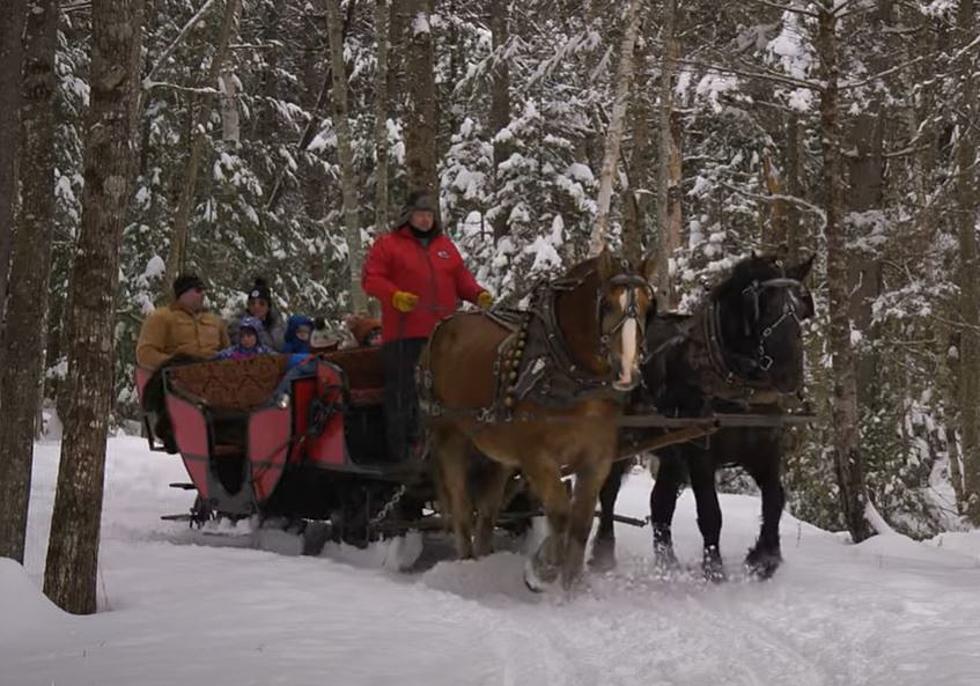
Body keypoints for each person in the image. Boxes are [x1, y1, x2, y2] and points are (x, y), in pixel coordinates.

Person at [362, 189, 493, 461]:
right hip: (404, 336)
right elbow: (371, 279)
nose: (425, 220)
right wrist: (394, 296)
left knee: (451, 393)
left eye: (429, 215)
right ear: (408, 216)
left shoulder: (445, 247)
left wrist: (478, 294)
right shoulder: (388, 245)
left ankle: (456, 448)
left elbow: (462, 280)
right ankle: (403, 454)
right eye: (420, 215)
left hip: (445, 336)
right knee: (405, 394)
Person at [136, 273, 229, 452]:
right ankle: (172, 428)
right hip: (180, 377)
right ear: (183, 293)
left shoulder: (214, 321)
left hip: (215, 376)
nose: (203, 294)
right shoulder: (162, 318)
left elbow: (228, 351)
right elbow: (145, 354)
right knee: (182, 365)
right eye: (198, 290)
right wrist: (175, 365)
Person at [229, 277, 286, 351]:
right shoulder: (238, 325)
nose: (257, 307)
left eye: (261, 304)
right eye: (252, 304)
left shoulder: (279, 325)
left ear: (268, 307)